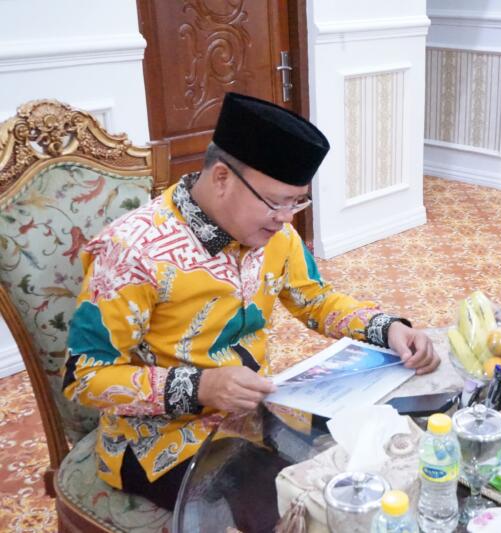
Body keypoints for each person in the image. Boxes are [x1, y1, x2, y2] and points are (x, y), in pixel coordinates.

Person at [62, 92, 439, 510]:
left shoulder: (277, 234)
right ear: (222, 178)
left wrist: (388, 328)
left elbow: (316, 300)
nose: (287, 217)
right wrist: (201, 387)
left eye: (297, 201)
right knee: (298, 506)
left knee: (375, 454)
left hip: (257, 411)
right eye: (276, 201)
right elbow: (84, 377)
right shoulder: (133, 250)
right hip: (161, 442)